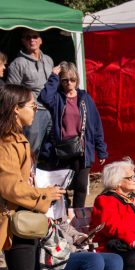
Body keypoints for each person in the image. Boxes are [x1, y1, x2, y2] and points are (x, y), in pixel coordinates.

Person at [0, 84, 65, 270]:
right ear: (15, 109)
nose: (35, 109)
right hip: (14, 221)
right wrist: (44, 195)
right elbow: (9, 187)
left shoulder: (18, 139)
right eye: (31, 105)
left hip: (25, 220)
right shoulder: (5, 143)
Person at [37, 62, 108, 208]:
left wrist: (101, 150)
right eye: (65, 80)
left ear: (77, 79)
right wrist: (54, 76)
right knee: (61, 186)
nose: (69, 83)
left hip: (82, 150)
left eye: (72, 79)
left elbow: (96, 125)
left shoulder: (85, 99)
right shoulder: (57, 98)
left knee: (81, 186)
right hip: (61, 150)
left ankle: (78, 215)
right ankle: (63, 214)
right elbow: (44, 98)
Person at [7, 29, 54, 159]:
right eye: (28, 37)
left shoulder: (48, 60)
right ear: (23, 41)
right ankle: (27, 171)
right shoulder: (18, 64)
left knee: (50, 150)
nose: (32, 40)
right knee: (31, 150)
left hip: (51, 110)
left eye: (35, 36)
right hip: (33, 112)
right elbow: (12, 93)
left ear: (41, 40)